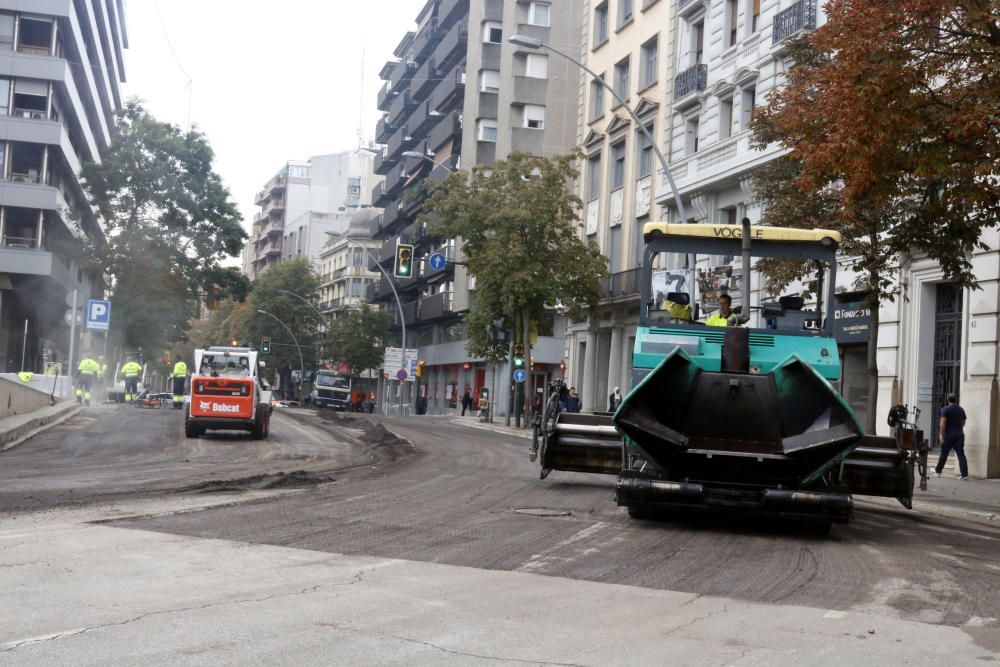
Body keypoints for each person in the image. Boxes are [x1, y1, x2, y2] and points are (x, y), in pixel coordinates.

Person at [933, 393, 969, 480]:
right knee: (961, 454)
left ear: (947, 400)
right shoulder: (961, 409)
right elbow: (963, 422)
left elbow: (942, 423)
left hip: (948, 435)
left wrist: (941, 434)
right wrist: (959, 428)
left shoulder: (945, 409)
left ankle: (938, 472)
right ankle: (964, 474)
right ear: (956, 400)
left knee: (944, 454)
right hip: (959, 435)